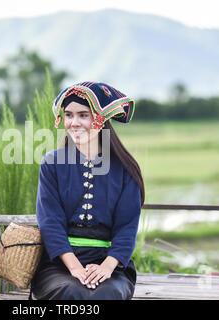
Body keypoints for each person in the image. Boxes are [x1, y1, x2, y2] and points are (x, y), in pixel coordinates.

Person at [29, 81, 145, 300]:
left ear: (101, 119)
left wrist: (107, 267)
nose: (74, 123)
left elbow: (127, 227)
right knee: (70, 291)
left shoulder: (126, 169)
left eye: (83, 115)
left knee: (107, 293)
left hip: (110, 264)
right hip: (59, 264)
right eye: (69, 115)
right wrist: (75, 269)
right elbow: (50, 222)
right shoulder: (52, 163)